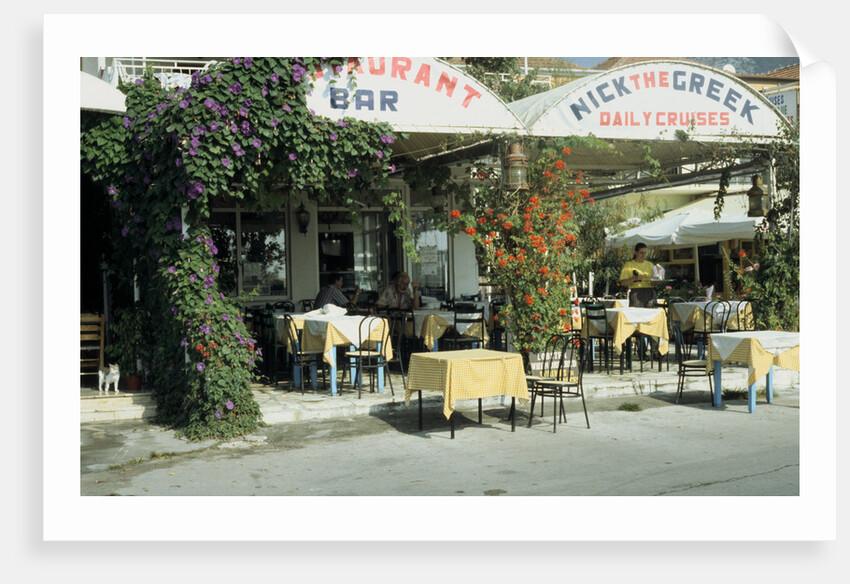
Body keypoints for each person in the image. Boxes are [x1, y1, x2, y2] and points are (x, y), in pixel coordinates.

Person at [618, 242, 657, 308]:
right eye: (641, 253)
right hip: (636, 292)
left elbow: (653, 281)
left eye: (645, 253)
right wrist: (635, 278)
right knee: (637, 314)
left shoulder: (650, 264)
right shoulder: (629, 265)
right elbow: (622, 283)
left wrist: (656, 282)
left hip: (650, 292)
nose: (643, 255)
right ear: (636, 253)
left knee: (652, 314)